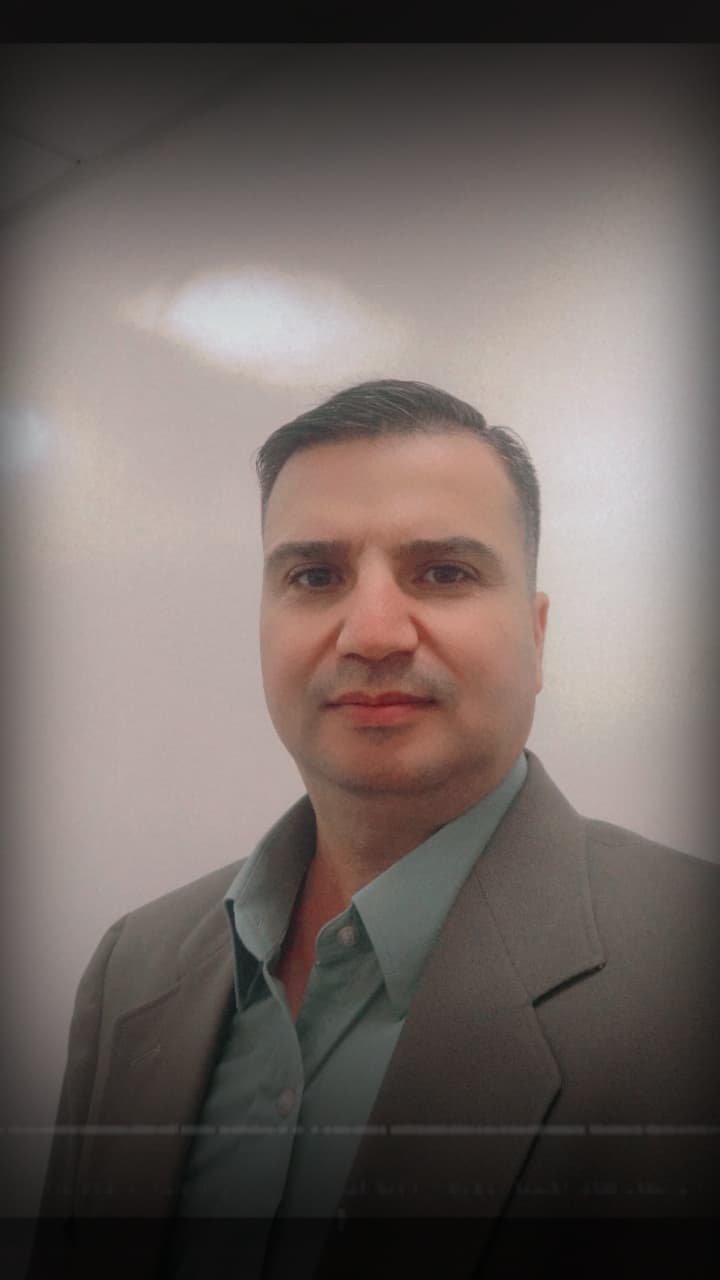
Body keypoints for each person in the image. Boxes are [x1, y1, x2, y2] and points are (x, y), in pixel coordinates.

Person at [32, 381, 719, 1277]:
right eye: (315, 577)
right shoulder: (134, 969)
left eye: (444, 573)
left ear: (537, 635)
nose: (373, 632)